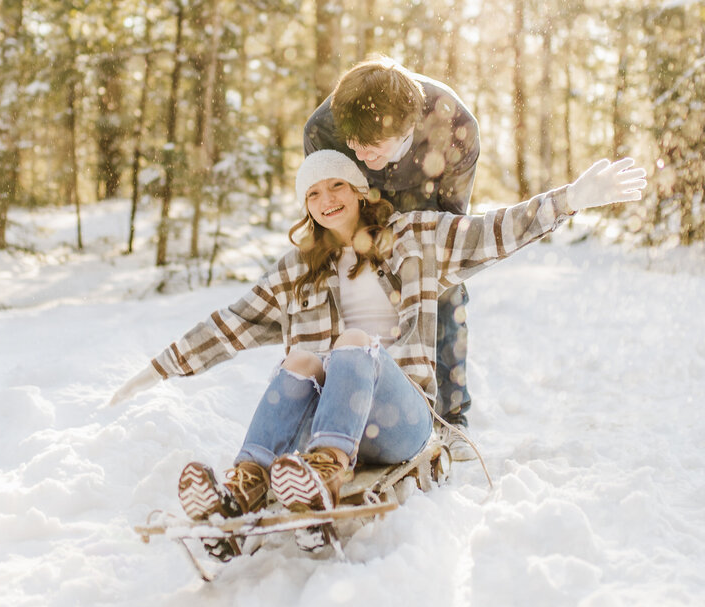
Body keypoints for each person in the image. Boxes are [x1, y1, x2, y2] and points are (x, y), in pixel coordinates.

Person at [109, 149, 645, 560]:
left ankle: (323, 476)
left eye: (336, 185)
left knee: (352, 342)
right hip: (325, 426)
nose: (326, 200)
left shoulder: (414, 238)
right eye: (313, 193)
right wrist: (153, 372)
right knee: (299, 360)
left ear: (360, 190)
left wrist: (569, 200)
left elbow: (492, 232)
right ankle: (243, 486)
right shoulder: (298, 270)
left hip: (401, 422)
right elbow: (230, 324)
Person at [304, 58, 479, 427]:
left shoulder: (456, 126)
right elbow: (326, 204)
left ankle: (449, 413)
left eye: (373, 147)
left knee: (441, 289)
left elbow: (452, 222)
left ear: (408, 129)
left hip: (429, 195)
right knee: (351, 286)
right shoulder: (323, 130)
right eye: (355, 146)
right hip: (361, 201)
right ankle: (343, 398)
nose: (363, 154)